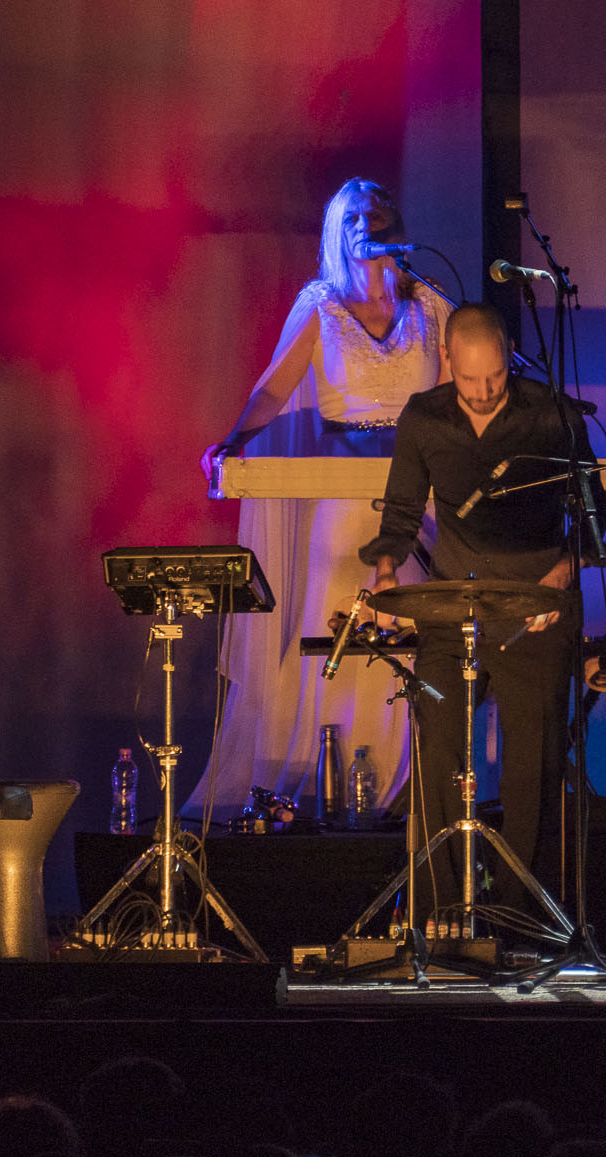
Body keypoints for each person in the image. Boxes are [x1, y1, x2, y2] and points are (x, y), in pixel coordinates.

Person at [187, 178, 451, 819]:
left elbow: (452, 397)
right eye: (354, 215)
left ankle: (403, 788)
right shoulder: (321, 306)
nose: (367, 223)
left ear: (394, 224)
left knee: (407, 627)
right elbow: (274, 389)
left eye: (378, 214)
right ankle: (320, 785)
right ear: (338, 229)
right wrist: (231, 441)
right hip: (342, 495)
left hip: (418, 494)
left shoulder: (430, 306)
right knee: (334, 624)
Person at [360, 302, 601, 918]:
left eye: (494, 378)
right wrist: (386, 570)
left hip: (536, 613)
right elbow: (402, 512)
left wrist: (562, 572)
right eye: (469, 380)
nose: (484, 392)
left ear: (508, 356)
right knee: (436, 746)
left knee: (533, 766)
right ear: (447, 360)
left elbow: (594, 522)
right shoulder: (424, 418)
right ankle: (440, 915)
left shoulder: (554, 415)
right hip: (453, 608)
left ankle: (527, 919)